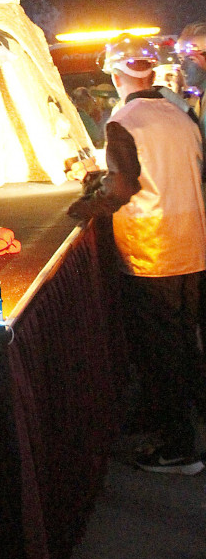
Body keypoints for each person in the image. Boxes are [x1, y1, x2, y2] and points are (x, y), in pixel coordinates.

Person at [68, 34, 206, 474]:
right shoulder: (179, 113)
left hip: (153, 248)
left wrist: (86, 205)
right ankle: (176, 419)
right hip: (193, 244)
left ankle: (179, 448)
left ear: (114, 74)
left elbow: (123, 187)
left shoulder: (125, 120)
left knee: (159, 351)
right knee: (184, 342)